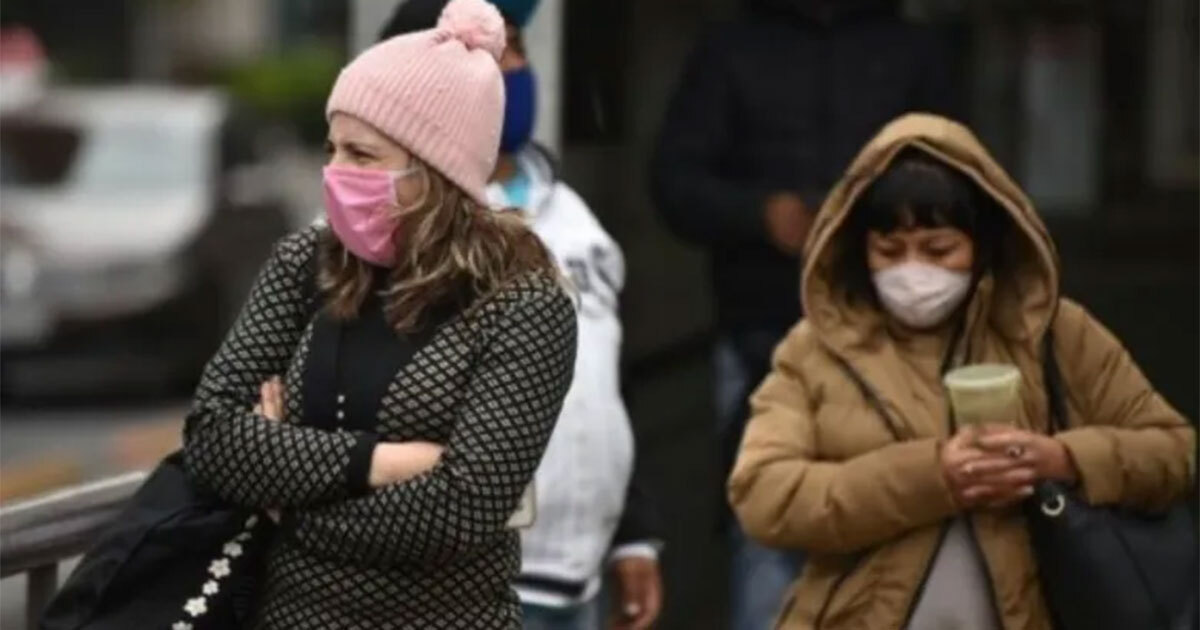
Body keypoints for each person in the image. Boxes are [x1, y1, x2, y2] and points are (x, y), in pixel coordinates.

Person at [181, 1, 578, 627]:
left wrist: (285, 497)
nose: (335, 173)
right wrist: (380, 463)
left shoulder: (523, 302)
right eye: (332, 148)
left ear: (438, 172)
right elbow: (211, 437)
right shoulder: (303, 263)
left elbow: (463, 510)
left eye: (363, 156)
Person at [727, 113, 1195, 629]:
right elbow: (764, 494)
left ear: (985, 243)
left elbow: (1175, 452)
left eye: (938, 249)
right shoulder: (817, 350)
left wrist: (1062, 459)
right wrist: (933, 476)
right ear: (858, 250)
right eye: (889, 251)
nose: (913, 270)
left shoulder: (1053, 332)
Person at [649, 2, 958, 625]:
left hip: (897, 341)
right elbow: (673, 181)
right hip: (762, 337)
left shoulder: (910, 49)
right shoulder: (730, 47)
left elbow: (962, 176)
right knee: (767, 536)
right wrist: (760, 214)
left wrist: (882, 219)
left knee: (899, 537)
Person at [374, 2, 664, 629]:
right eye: (487, 49)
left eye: (516, 47)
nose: (510, 65)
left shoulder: (573, 216)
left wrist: (632, 534)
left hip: (575, 575)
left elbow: (604, 381)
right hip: (457, 582)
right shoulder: (386, 234)